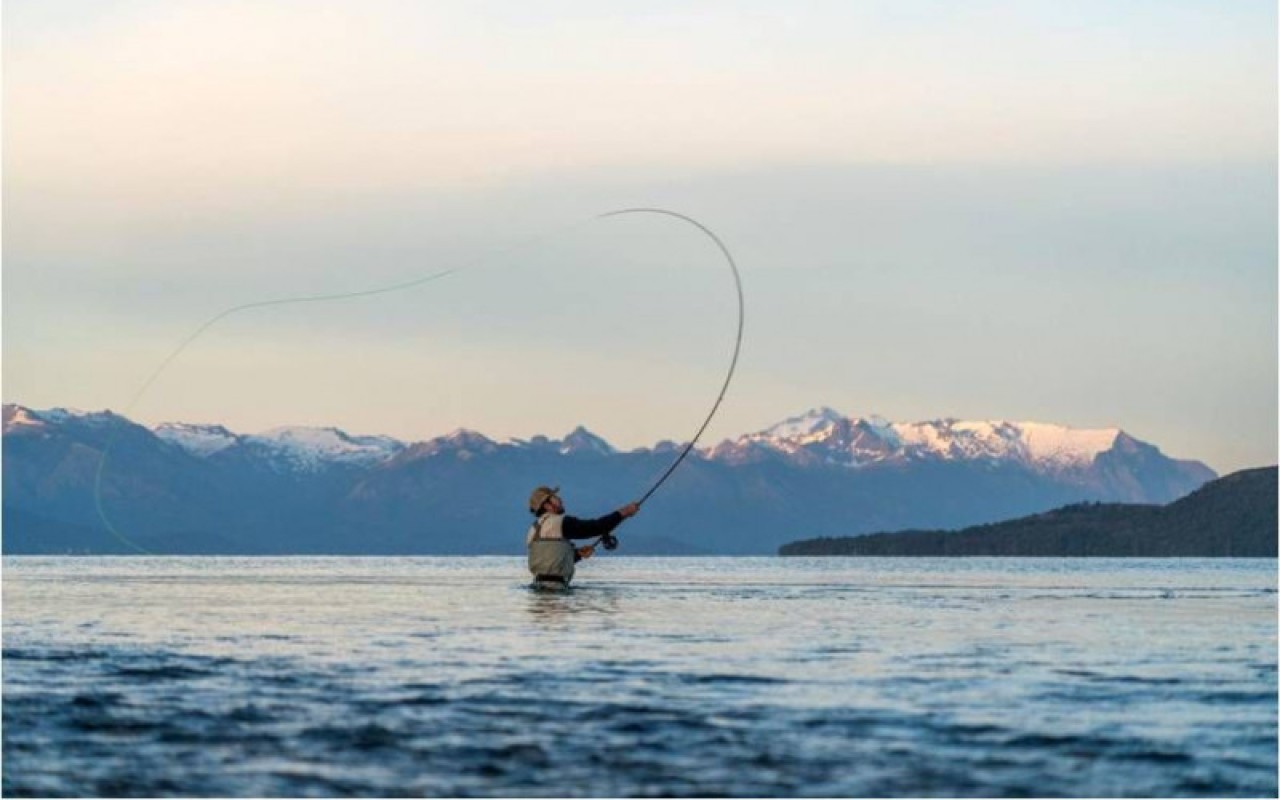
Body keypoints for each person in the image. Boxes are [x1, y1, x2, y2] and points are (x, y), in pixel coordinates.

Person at [526, 486, 638, 586]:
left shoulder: (533, 530)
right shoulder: (561, 522)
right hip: (557, 590)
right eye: (555, 497)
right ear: (547, 505)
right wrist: (624, 512)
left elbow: (550, 562)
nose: (560, 500)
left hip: (538, 586)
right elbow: (596, 527)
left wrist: (577, 554)